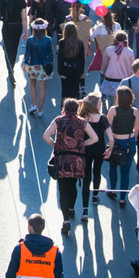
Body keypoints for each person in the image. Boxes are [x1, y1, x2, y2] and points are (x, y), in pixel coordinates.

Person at [43, 98, 97, 235]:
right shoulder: (82, 122)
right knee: (72, 185)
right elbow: (95, 138)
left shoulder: (58, 120)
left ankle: (65, 220)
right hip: (77, 160)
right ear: (77, 109)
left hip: (62, 159)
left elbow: (46, 136)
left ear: (64, 109)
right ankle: (72, 208)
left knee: (62, 189)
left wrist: (55, 145)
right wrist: (81, 145)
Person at [79, 92, 113, 218]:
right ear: (95, 104)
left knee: (86, 177)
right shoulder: (102, 118)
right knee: (97, 171)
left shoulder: (82, 117)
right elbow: (111, 138)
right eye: (99, 102)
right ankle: (95, 195)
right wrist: (109, 149)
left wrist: (83, 101)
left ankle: (85, 210)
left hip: (86, 150)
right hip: (99, 150)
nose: (101, 104)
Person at [106, 84, 139, 204]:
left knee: (113, 167)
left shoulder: (113, 110)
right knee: (125, 171)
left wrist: (110, 140)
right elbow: (136, 129)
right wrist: (134, 139)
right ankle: (122, 198)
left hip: (116, 142)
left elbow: (107, 126)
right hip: (129, 142)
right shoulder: (135, 111)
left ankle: (113, 190)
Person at [0, 0, 27, 86]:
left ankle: (10, 69)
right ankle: (11, 67)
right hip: (17, 27)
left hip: (7, 26)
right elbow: (24, 18)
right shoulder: (21, 0)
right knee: (14, 47)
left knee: (8, 49)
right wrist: (26, 31)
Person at [23, 19, 53, 117]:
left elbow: (27, 54)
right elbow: (51, 56)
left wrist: (25, 64)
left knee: (32, 84)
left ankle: (34, 104)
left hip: (32, 65)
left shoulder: (30, 40)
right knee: (42, 88)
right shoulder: (48, 39)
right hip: (43, 67)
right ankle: (40, 110)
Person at [100, 30, 134, 104]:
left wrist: (103, 73)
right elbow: (132, 68)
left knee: (111, 103)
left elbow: (104, 65)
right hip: (124, 81)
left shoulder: (109, 50)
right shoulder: (130, 52)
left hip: (110, 80)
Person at [57, 21, 85, 102]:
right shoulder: (80, 43)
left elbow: (60, 58)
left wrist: (60, 72)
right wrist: (82, 72)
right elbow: (82, 59)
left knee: (65, 92)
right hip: (76, 70)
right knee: (75, 91)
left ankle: (65, 107)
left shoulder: (62, 42)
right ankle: (75, 106)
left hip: (66, 70)